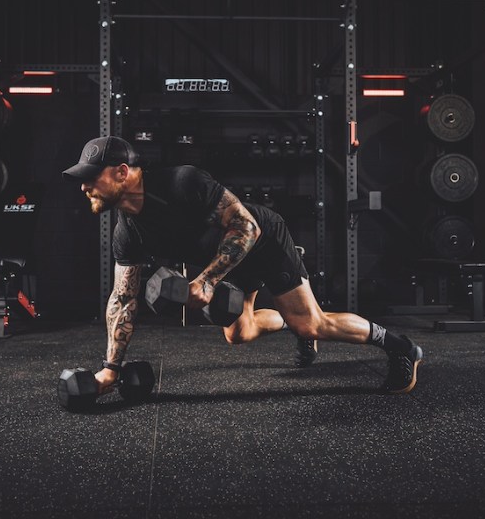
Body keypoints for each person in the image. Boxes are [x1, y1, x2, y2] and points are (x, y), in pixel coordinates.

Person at [62, 136, 423, 397]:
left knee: (313, 322)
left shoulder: (182, 181)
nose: (85, 187)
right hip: (220, 261)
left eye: (92, 177)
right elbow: (122, 300)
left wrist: (205, 281)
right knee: (239, 333)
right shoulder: (127, 232)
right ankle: (292, 325)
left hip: (261, 239)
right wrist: (111, 370)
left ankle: (401, 347)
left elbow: (246, 226)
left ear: (122, 172)